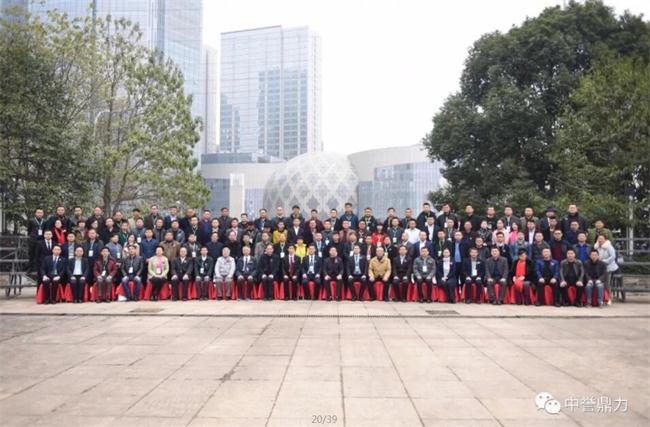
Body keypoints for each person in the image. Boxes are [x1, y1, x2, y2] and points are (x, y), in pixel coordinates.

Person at [593, 234, 619, 306]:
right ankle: (602, 298)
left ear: (605, 239)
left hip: (608, 267)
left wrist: (604, 261)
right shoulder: (596, 247)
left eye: (602, 238)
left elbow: (613, 256)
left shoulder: (609, 246)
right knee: (600, 283)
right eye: (599, 238)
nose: (600, 240)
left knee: (607, 284)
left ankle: (609, 298)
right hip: (599, 267)